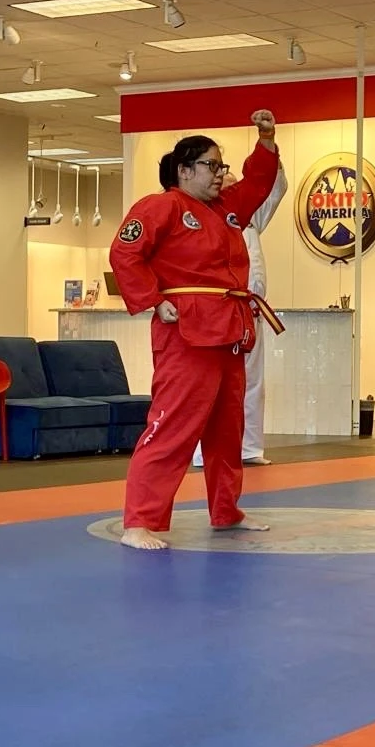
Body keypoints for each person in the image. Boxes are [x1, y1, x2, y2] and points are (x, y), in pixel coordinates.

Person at [109, 112, 282, 551]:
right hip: (186, 331)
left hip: (229, 328)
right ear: (184, 170)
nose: (220, 174)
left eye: (222, 166)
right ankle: (139, 522)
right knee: (172, 426)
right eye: (211, 165)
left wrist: (266, 138)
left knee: (228, 429)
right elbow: (125, 253)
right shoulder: (160, 206)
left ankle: (226, 510)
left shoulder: (225, 211)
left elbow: (258, 185)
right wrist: (153, 300)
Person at [192, 164, 287, 468]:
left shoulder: (249, 219)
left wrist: (272, 155)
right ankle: (200, 451)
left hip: (251, 310)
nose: (232, 189)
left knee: (252, 383)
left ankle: (249, 448)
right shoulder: (203, 217)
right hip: (217, 312)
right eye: (227, 184)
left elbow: (274, 190)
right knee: (210, 382)